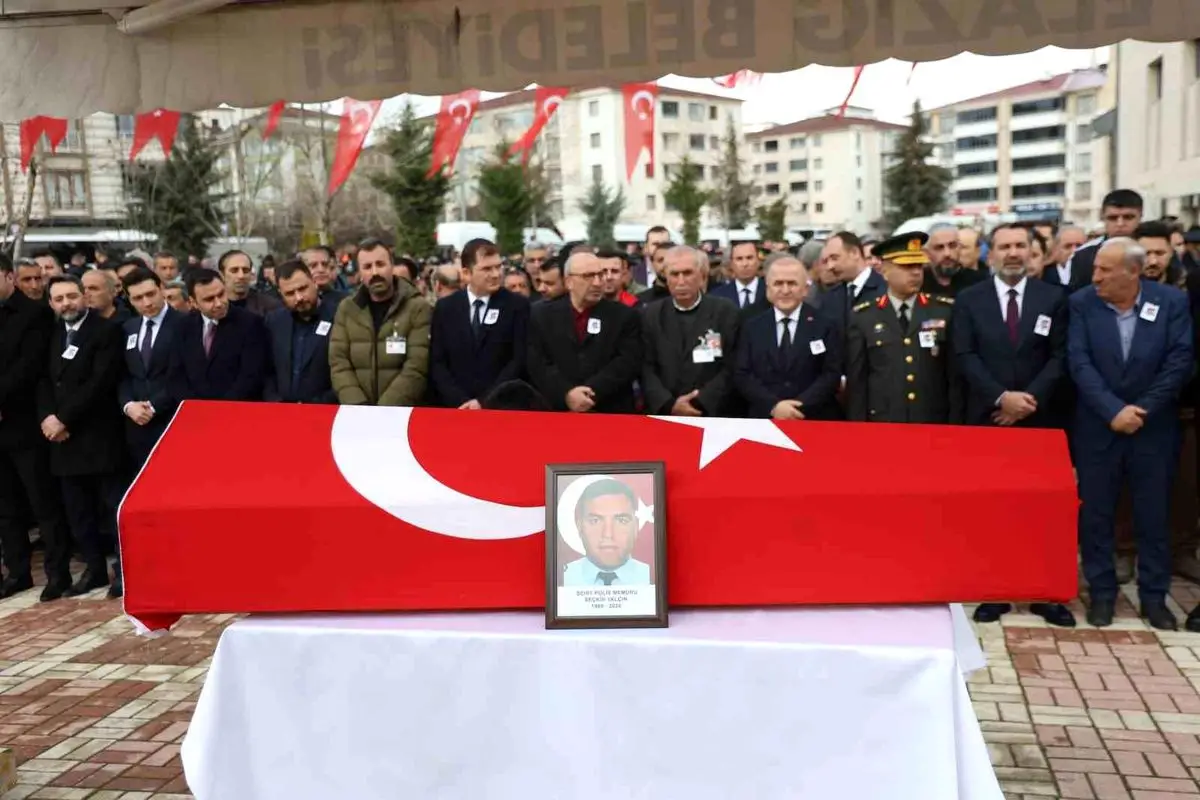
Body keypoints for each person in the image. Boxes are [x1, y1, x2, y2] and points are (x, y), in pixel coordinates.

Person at [951, 225, 1073, 627]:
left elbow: (1060, 357)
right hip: (990, 421)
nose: (1013, 253)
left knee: (1043, 512)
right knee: (993, 510)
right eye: (1004, 247)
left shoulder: (1054, 298)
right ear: (990, 255)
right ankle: (994, 590)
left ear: (1033, 252)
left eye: (1021, 246)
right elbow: (965, 355)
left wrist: (1026, 402)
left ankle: (1044, 593)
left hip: (1041, 422)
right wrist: (1001, 398)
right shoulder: (969, 300)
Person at [1068, 238, 1194, 630]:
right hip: (1097, 428)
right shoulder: (1082, 303)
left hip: (1152, 427)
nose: (1096, 277)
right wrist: (1112, 410)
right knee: (1097, 515)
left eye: (1105, 270)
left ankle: (1154, 597)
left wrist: (1141, 410)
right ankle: (1102, 595)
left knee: (1153, 515)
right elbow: (1079, 361)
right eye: (1095, 269)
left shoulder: (1170, 302)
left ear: (1133, 272)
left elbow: (1179, 361)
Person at [37, 275, 126, 597]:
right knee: (78, 511)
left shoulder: (105, 331)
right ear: (51, 304)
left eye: (72, 296)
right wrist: (48, 419)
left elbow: (99, 383)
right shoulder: (51, 335)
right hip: (62, 442)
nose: (67, 304)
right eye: (59, 299)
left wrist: (63, 418)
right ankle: (94, 569)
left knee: (110, 508)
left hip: (98, 437)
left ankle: (123, 572)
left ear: (84, 297)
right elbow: (44, 380)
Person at [0, 255, 72, 601]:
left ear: (9, 276)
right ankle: (18, 573)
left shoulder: (35, 315)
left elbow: (29, 370)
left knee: (43, 502)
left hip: (26, 425)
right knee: (5, 505)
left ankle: (58, 574)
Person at [846, 233, 960, 424]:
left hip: (932, 420)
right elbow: (858, 382)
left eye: (919, 266)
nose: (916, 272)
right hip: (884, 421)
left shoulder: (943, 311)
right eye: (907, 266)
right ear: (884, 270)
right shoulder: (864, 316)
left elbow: (954, 377)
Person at [527, 251, 643, 413]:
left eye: (600, 275)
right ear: (569, 282)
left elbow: (627, 362)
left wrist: (589, 393)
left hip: (609, 410)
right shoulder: (541, 315)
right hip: (557, 410)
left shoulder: (624, 316)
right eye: (588, 276)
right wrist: (567, 394)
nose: (597, 282)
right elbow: (537, 362)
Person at [734, 253, 842, 420]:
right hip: (765, 420)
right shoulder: (751, 327)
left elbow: (831, 374)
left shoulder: (825, 325)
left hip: (813, 418)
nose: (785, 290)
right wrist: (774, 407)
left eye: (792, 283)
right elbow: (742, 374)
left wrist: (798, 406)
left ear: (805, 289)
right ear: (768, 289)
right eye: (778, 284)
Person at [429, 238, 530, 409]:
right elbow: (437, 362)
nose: (496, 274)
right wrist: (459, 400)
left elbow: (518, 360)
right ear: (467, 273)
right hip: (456, 408)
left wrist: (484, 401)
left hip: (500, 408)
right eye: (487, 269)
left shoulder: (517, 306)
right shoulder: (446, 308)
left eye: (498, 267)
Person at [329, 238, 432, 406]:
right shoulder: (347, 309)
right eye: (367, 267)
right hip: (358, 414)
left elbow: (417, 366)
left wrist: (384, 411)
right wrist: (357, 405)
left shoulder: (417, 307)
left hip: (401, 414)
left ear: (391, 266)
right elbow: (338, 362)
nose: (375, 272)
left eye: (380, 264)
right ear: (359, 273)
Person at [641, 246, 740, 417]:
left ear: (701, 276)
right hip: (666, 413)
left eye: (687, 273)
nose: (681, 281)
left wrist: (700, 401)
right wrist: (668, 404)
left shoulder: (724, 311)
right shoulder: (650, 314)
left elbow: (733, 364)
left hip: (713, 413)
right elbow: (645, 367)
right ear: (666, 277)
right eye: (674, 274)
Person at [118, 266, 184, 475]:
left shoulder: (185, 325)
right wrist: (128, 405)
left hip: (173, 421)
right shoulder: (128, 328)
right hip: (137, 427)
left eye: (150, 294)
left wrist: (154, 406)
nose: (146, 303)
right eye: (138, 298)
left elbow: (185, 374)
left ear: (161, 288)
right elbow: (123, 373)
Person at [169, 268, 270, 402]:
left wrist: (219, 409)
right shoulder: (183, 327)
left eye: (221, 294)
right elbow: (176, 376)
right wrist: (195, 407)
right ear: (193, 303)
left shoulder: (250, 323)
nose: (218, 303)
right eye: (209, 299)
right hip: (194, 412)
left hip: (235, 411)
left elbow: (251, 377)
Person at [263, 261, 339, 404]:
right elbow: (267, 369)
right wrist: (274, 400)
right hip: (283, 413)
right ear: (281, 294)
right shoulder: (274, 322)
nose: (299, 298)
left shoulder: (339, 317)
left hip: (325, 411)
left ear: (314, 282)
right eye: (290, 293)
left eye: (303, 289)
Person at [561, 478, 651, 587]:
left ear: (636, 526)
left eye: (621, 520)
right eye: (595, 521)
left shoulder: (652, 576)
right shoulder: (562, 578)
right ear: (579, 527)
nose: (608, 534)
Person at [818, 232, 886, 339]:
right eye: (826, 261)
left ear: (854, 253)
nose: (830, 266)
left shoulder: (886, 290)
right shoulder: (830, 297)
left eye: (834, 258)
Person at [922, 224, 986, 297]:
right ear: (926, 253)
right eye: (939, 247)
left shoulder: (980, 283)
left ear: (959, 248)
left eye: (952, 246)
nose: (947, 253)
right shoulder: (917, 285)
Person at [710, 241, 769, 316]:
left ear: (758, 261)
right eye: (739, 259)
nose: (745, 264)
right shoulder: (717, 296)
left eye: (749, 258)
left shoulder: (770, 291)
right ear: (731, 264)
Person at [219, 250, 282, 317]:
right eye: (234, 270)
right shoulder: (213, 307)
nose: (241, 276)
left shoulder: (271, 307)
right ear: (222, 275)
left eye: (245, 270)